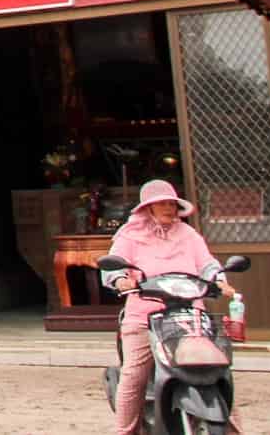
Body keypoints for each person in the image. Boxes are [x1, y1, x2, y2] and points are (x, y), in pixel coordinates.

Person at [100, 179, 242, 435]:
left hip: (190, 316)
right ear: (148, 208)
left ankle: (233, 430)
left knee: (218, 371)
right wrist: (120, 279)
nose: (168, 208)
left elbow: (207, 264)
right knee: (134, 375)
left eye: (171, 203)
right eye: (161, 204)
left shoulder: (188, 234)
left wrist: (220, 281)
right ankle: (124, 431)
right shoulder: (129, 235)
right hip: (144, 316)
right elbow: (115, 266)